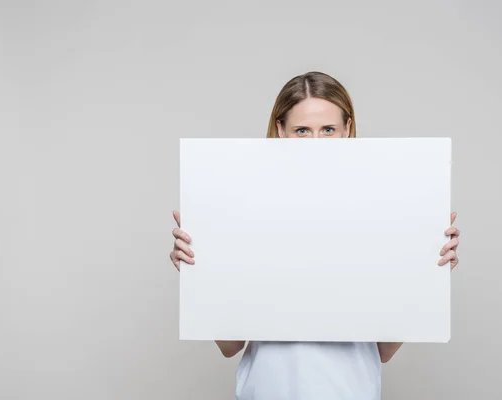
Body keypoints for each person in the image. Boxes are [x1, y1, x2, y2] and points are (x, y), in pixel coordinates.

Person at [170, 71, 461, 400]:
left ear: (347, 130)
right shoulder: (246, 209)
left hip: (353, 391)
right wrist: (200, 272)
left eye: (328, 130)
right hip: (267, 391)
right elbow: (230, 346)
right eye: (302, 131)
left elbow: (384, 350)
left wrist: (428, 272)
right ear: (281, 131)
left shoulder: (379, 210)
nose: (316, 143)